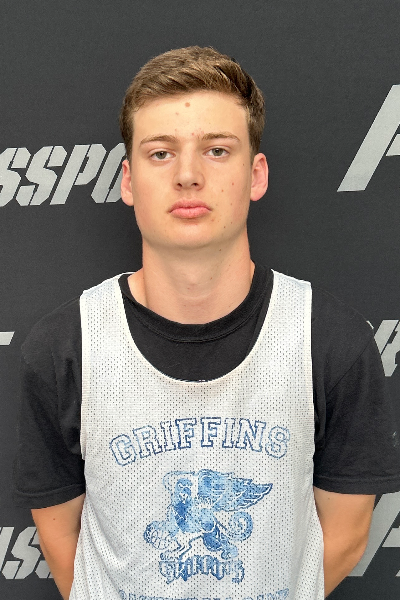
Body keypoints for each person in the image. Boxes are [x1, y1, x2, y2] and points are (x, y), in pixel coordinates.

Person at [13, 46, 400, 600]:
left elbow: (344, 537)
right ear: (128, 181)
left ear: (255, 174)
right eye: (161, 153)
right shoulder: (64, 348)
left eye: (217, 150)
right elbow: (62, 544)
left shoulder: (329, 340)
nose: (189, 175)